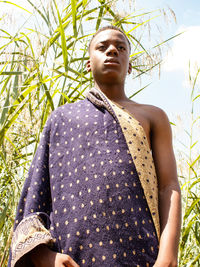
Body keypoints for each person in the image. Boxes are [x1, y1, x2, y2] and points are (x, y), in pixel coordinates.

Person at [9, 25, 181, 267]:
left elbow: (168, 186)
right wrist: (44, 257)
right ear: (89, 63)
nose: (112, 51)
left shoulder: (153, 117)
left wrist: (168, 254)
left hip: (141, 254)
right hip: (73, 258)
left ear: (129, 65)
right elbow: (36, 195)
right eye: (102, 47)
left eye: (121, 48)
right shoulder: (61, 118)